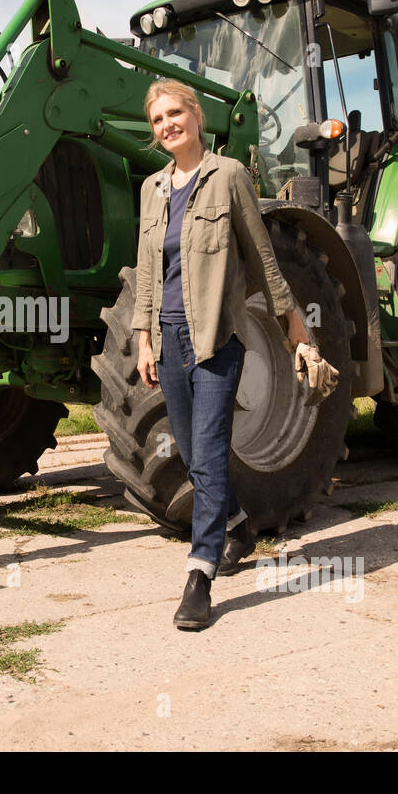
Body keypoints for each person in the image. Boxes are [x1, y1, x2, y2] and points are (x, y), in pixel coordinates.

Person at [133, 78, 311, 631]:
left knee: (208, 451)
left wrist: (292, 320)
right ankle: (237, 522)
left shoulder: (229, 175)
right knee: (189, 451)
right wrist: (143, 335)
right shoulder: (151, 189)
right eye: (158, 119)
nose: (167, 125)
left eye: (175, 114)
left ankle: (200, 572)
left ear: (196, 114)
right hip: (167, 338)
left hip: (215, 337)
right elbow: (145, 268)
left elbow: (260, 255)